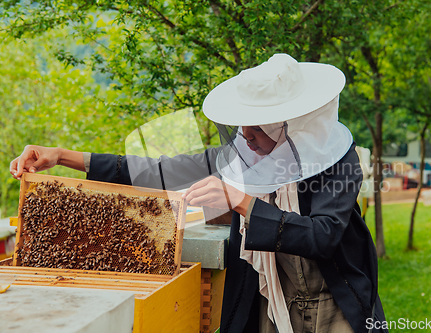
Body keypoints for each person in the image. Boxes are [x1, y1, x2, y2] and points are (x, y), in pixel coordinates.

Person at [10, 54, 387, 333]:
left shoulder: (338, 161)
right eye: (242, 128)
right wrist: (61, 156)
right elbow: (154, 171)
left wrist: (238, 200)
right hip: (271, 302)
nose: (246, 138)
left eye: (256, 129)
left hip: (334, 303)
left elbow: (323, 237)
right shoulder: (237, 155)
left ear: (286, 125)